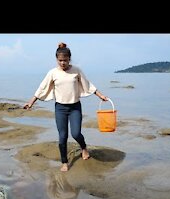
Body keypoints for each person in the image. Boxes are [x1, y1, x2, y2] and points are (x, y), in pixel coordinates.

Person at [23, 42, 109, 172]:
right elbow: (42, 87)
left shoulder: (77, 70)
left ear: (70, 59)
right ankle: (64, 162)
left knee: (76, 133)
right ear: (57, 60)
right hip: (60, 108)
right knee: (62, 136)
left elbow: (88, 84)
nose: (63, 63)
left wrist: (101, 96)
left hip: (75, 107)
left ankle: (84, 148)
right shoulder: (52, 73)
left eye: (65, 60)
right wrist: (31, 102)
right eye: (60, 61)